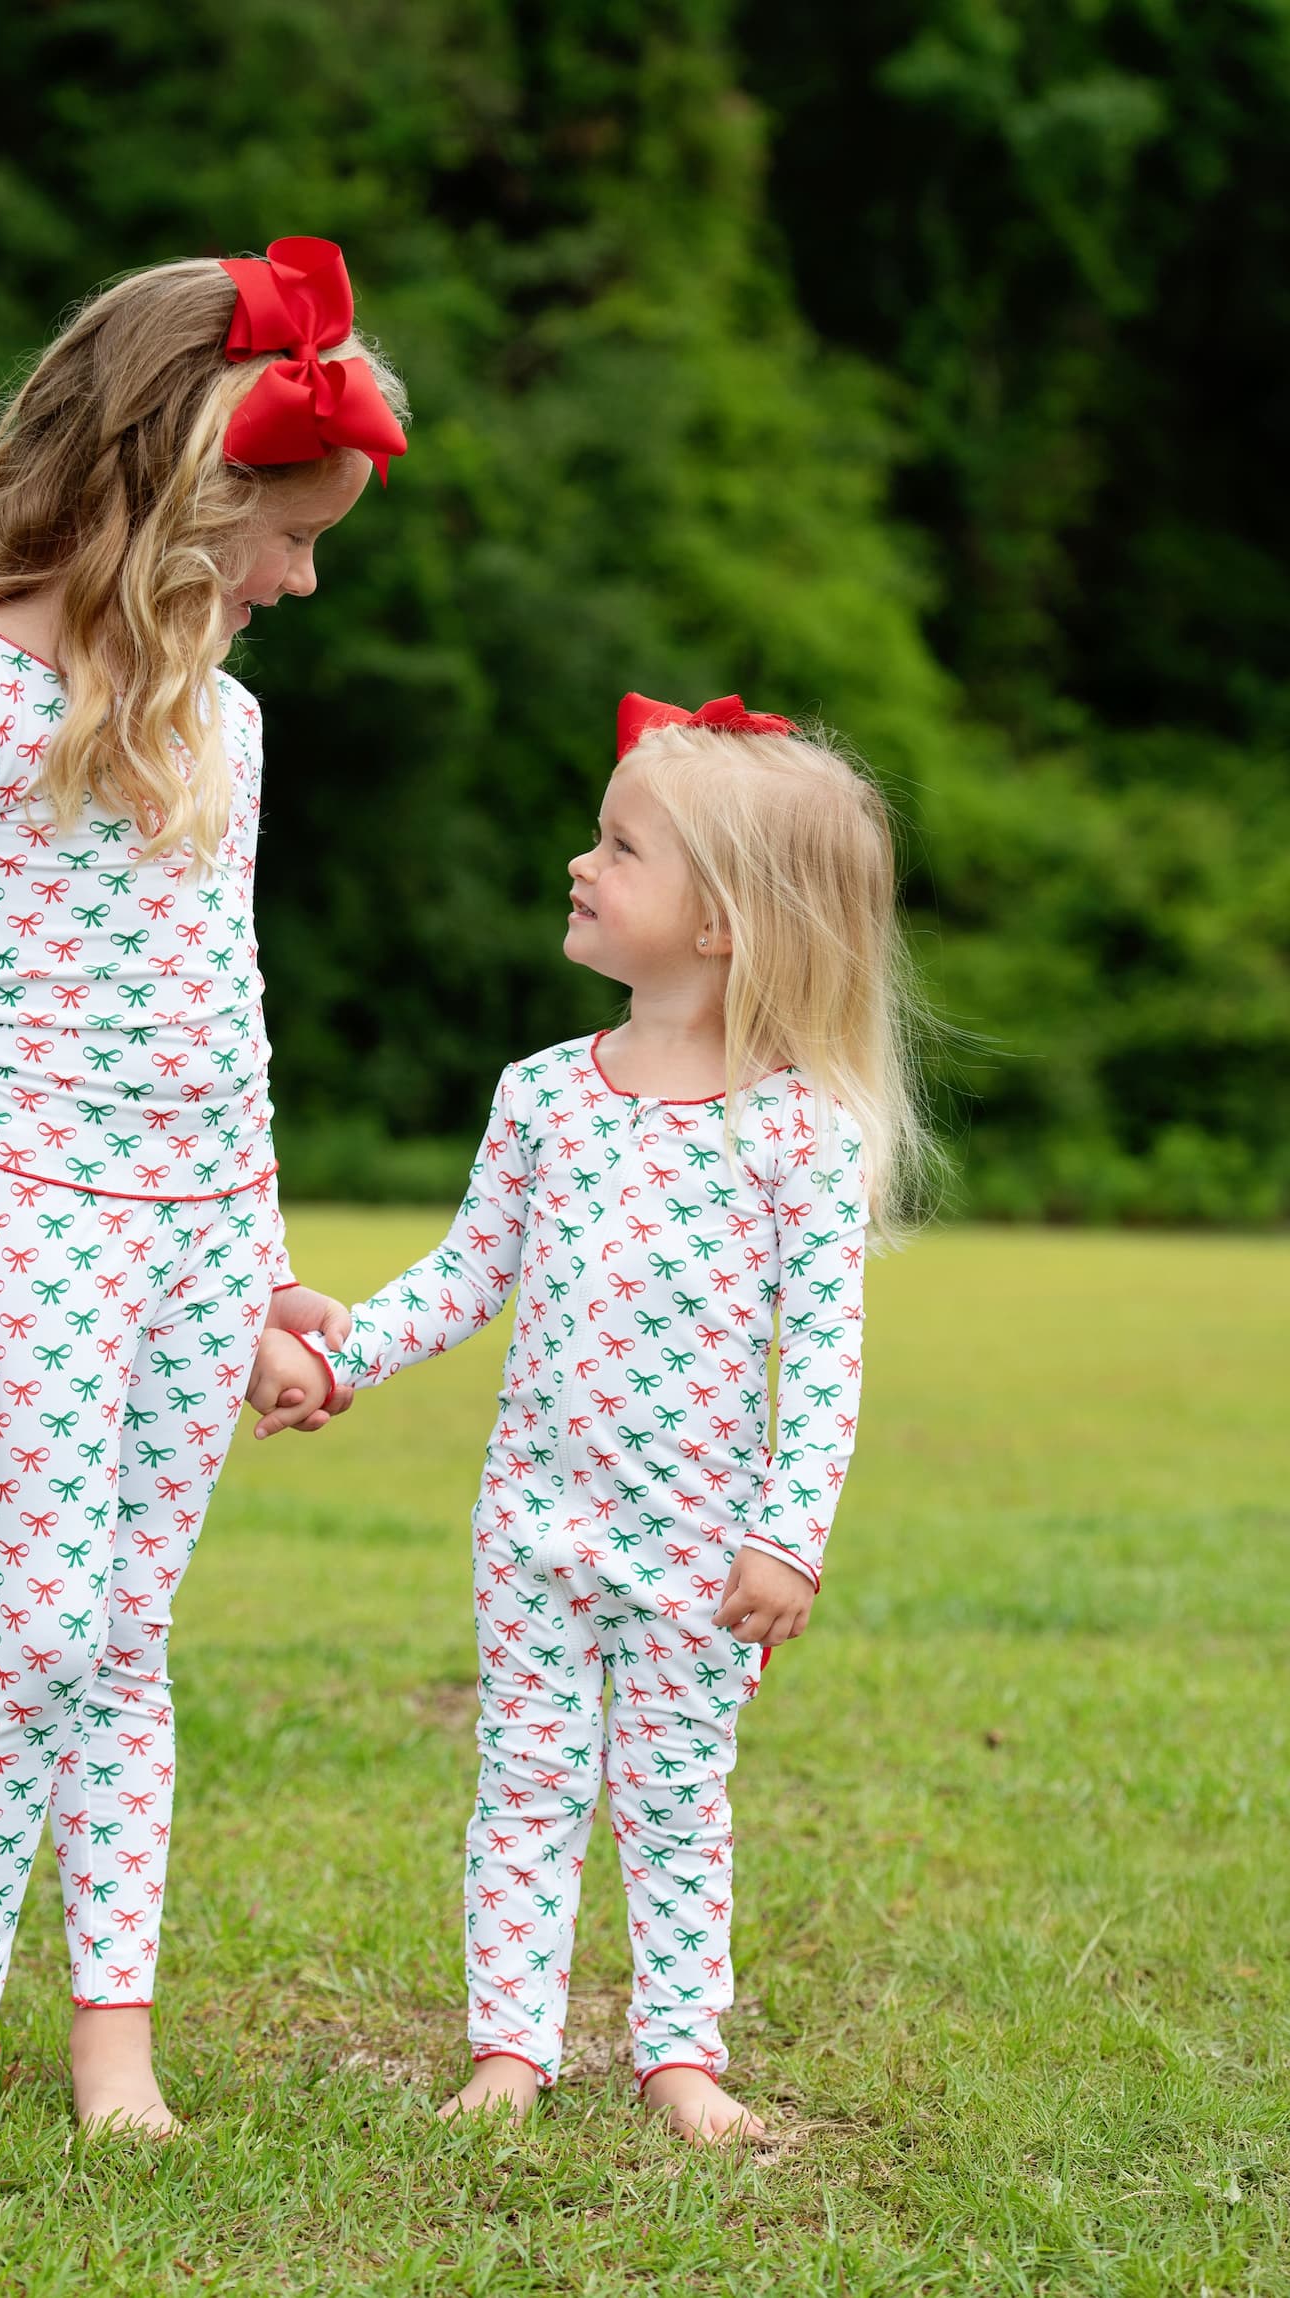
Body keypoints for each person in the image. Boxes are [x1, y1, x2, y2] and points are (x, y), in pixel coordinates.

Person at [0, 238, 402, 2142]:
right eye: (291, 533)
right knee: (37, 1629)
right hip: (29, 1228)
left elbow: (228, 1023)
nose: (303, 577)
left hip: (200, 1241)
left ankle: (114, 2046)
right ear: (188, 490)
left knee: (133, 1638)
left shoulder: (227, 724)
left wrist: (264, 1273)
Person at [252, 689, 936, 2143]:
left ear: (723, 924)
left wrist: (789, 1538)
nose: (583, 862)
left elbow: (821, 1362)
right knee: (529, 1778)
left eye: (622, 847)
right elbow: (468, 1274)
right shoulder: (545, 1096)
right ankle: (512, 2041)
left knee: (677, 1799)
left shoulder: (797, 1134)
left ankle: (679, 2051)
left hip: (699, 1547)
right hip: (532, 1526)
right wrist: (344, 1351)